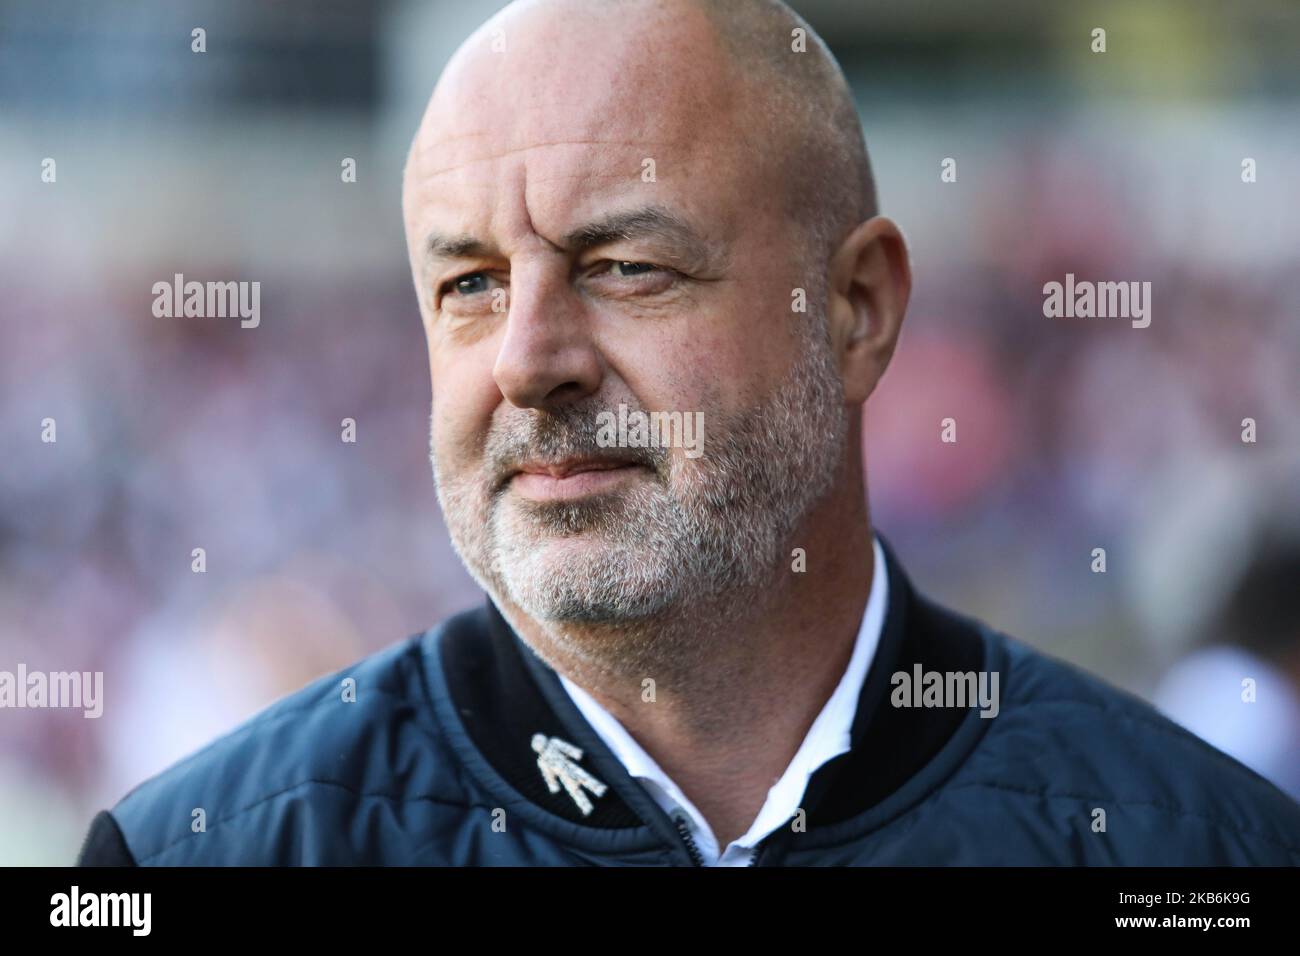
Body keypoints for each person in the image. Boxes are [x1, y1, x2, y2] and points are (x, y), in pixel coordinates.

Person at [78, 0, 1300, 866]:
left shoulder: (1201, 850)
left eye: (623, 265)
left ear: (856, 310)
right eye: (469, 285)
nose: (525, 359)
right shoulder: (196, 854)